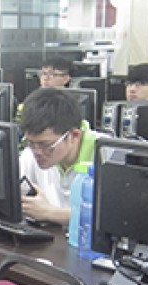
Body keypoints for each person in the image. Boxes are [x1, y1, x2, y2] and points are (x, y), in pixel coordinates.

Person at [20, 87, 100, 226]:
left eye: (46, 145)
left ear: (74, 136)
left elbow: (113, 219)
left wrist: (49, 213)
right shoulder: (30, 154)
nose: (37, 152)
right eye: (31, 143)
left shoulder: (105, 156)